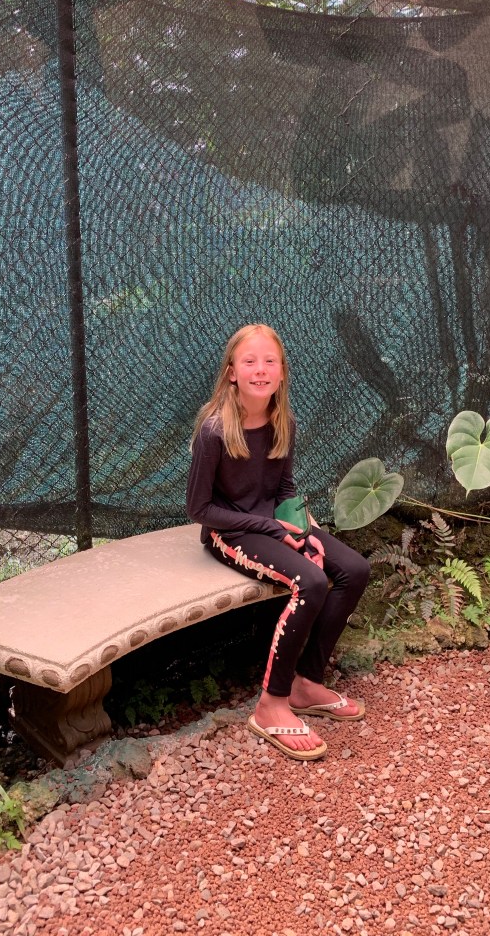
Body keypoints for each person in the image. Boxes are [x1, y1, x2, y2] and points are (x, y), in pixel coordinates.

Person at [186, 323, 370, 761]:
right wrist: (273, 530)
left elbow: (283, 488)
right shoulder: (214, 430)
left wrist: (303, 533)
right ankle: (271, 704)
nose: (260, 369)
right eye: (249, 361)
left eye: (270, 361)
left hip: (274, 524)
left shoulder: (283, 420)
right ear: (232, 372)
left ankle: (307, 683)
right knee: (311, 582)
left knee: (354, 570)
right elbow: (199, 509)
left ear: (282, 371)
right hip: (230, 531)